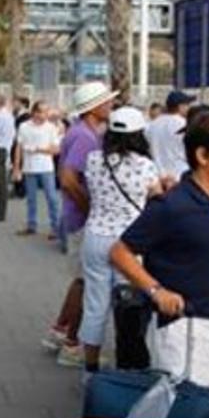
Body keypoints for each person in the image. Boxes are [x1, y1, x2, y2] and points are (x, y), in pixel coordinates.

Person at [110, 111, 209, 418]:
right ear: (203, 155)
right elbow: (120, 253)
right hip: (186, 326)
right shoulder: (172, 205)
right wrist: (156, 291)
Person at [78, 107, 160, 380]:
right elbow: (156, 200)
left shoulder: (93, 160)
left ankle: (89, 369)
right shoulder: (146, 166)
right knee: (129, 306)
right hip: (129, 243)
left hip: (95, 237)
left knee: (94, 304)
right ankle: (126, 365)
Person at [48, 82, 116, 367]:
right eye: (107, 102)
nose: (110, 106)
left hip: (77, 216)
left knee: (81, 278)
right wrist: (91, 209)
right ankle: (72, 344)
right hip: (81, 218)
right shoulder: (86, 138)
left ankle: (61, 331)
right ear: (95, 107)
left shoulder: (81, 132)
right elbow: (68, 179)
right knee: (86, 282)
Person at [13, 102, 61, 239]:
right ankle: (31, 225)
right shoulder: (24, 126)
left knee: (52, 198)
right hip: (29, 168)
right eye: (41, 112)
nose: (44, 115)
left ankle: (55, 228)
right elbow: (19, 147)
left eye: (46, 112)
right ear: (34, 112)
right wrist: (16, 168)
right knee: (31, 199)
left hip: (46, 168)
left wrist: (38, 149)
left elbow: (57, 150)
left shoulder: (51, 127)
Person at [145, 90, 196, 182]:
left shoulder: (151, 125)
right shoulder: (184, 124)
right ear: (180, 107)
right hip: (180, 176)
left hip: (158, 177)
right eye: (187, 105)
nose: (189, 108)